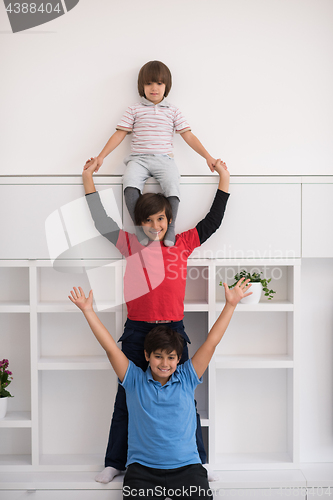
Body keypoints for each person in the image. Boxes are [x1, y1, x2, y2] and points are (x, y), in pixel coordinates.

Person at [82, 156, 230, 483]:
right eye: (148, 220)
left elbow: (213, 221)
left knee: (184, 399)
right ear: (140, 223)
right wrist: (88, 179)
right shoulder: (131, 244)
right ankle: (114, 461)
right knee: (126, 398)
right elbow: (101, 220)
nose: (155, 226)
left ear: (168, 219)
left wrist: (224, 178)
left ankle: (197, 461)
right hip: (137, 331)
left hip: (174, 329)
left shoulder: (183, 243)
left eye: (160, 219)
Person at [68, 278, 252, 499]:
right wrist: (88, 310)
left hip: (188, 470)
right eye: (158, 357)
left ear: (178, 359)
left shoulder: (186, 377)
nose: (164, 364)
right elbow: (110, 347)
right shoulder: (134, 380)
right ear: (147, 356)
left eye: (171, 358)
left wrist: (231, 305)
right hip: (142, 473)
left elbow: (212, 342)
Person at [84, 60, 220, 246]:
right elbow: (119, 134)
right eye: (148, 83)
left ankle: (170, 228)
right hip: (138, 160)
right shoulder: (134, 109)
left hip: (164, 159)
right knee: (129, 185)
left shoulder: (173, 111)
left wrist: (208, 157)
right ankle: (140, 229)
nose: (154, 88)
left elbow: (188, 136)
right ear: (142, 86)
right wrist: (101, 157)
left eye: (159, 83)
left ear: (166, 86)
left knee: (173, 184)